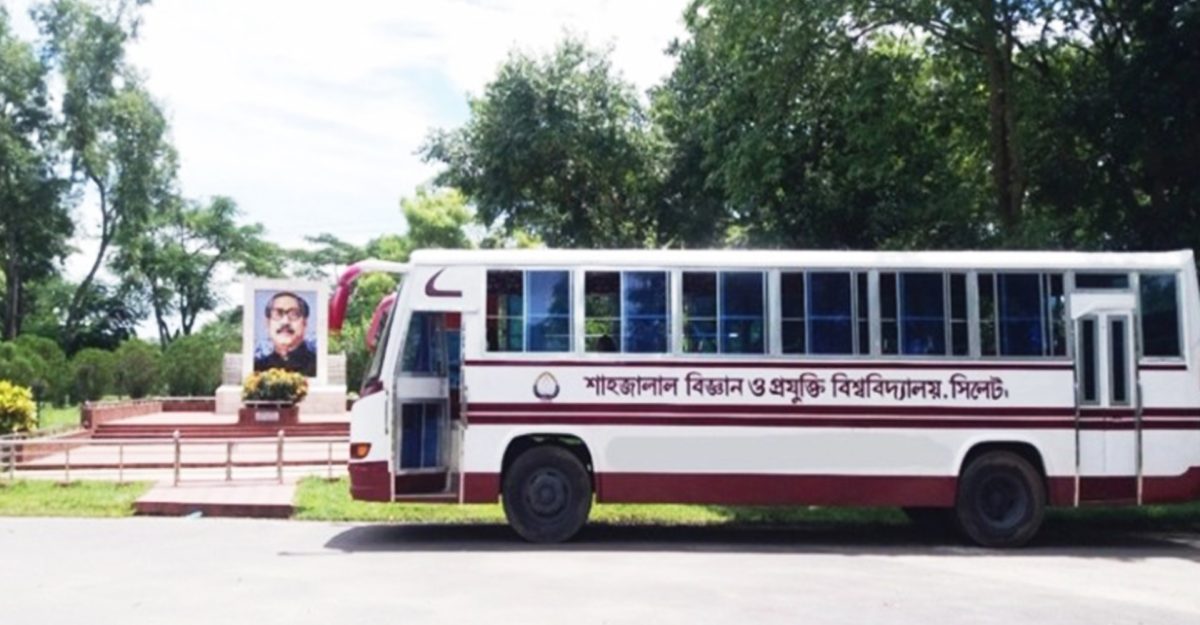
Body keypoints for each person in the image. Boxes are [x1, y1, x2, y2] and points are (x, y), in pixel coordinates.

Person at [254, 291, 317, 376]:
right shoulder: (258, 368)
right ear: (268, 323)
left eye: (293, 314)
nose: (285, 322)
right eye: (278, 314)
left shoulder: (317, 365)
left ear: (305, 323)